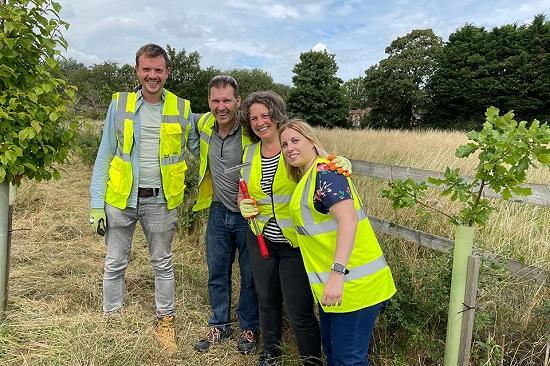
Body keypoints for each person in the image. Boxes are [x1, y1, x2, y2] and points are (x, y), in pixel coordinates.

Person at [89, 43, 199, 354]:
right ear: (137, 70)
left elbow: (200, 149)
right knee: (114, 263)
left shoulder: (181, 107)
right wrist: (97, 204)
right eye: (146, 69)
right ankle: (112, 320)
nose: (152, 75)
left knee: (163, 263)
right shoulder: (120, 104)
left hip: (161, 201)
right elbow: (104, 155)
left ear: (167, 72)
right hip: (120, 199)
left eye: (158, 70)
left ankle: (165, 321)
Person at [279, 119, 397, 366]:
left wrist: (336, 274)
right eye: (284, 144)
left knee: (348, 360)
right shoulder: (309, 178)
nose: (289, 147)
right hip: (335, 288)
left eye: (295, 140)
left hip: (353, 285)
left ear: (312, 142)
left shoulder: (326, 173)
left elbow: (348, 221)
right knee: (335, 356)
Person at [237, 91, 322, 366]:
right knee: (267, 300)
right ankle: (270, 352)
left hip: (294, 244)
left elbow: (320, 167)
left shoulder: (292, 147)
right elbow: (244, 190)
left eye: (265, 115)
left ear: (276, 115)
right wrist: (243, 204)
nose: (260, 122)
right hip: (260, 240)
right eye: (254, 118)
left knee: (299, 309)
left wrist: (337, 163)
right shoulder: (249, 152)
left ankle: (311, 359)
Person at [191, 75, 260, 354]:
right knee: (217, 273)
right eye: (215, 100)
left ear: (238, 101)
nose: (221, 107)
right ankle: (219, 324)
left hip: (247, 216)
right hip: (218, 211)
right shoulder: (204, 123)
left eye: (227, 100)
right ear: (208, 102)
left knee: (249, 274)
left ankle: (248, 327)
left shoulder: (250, 130)